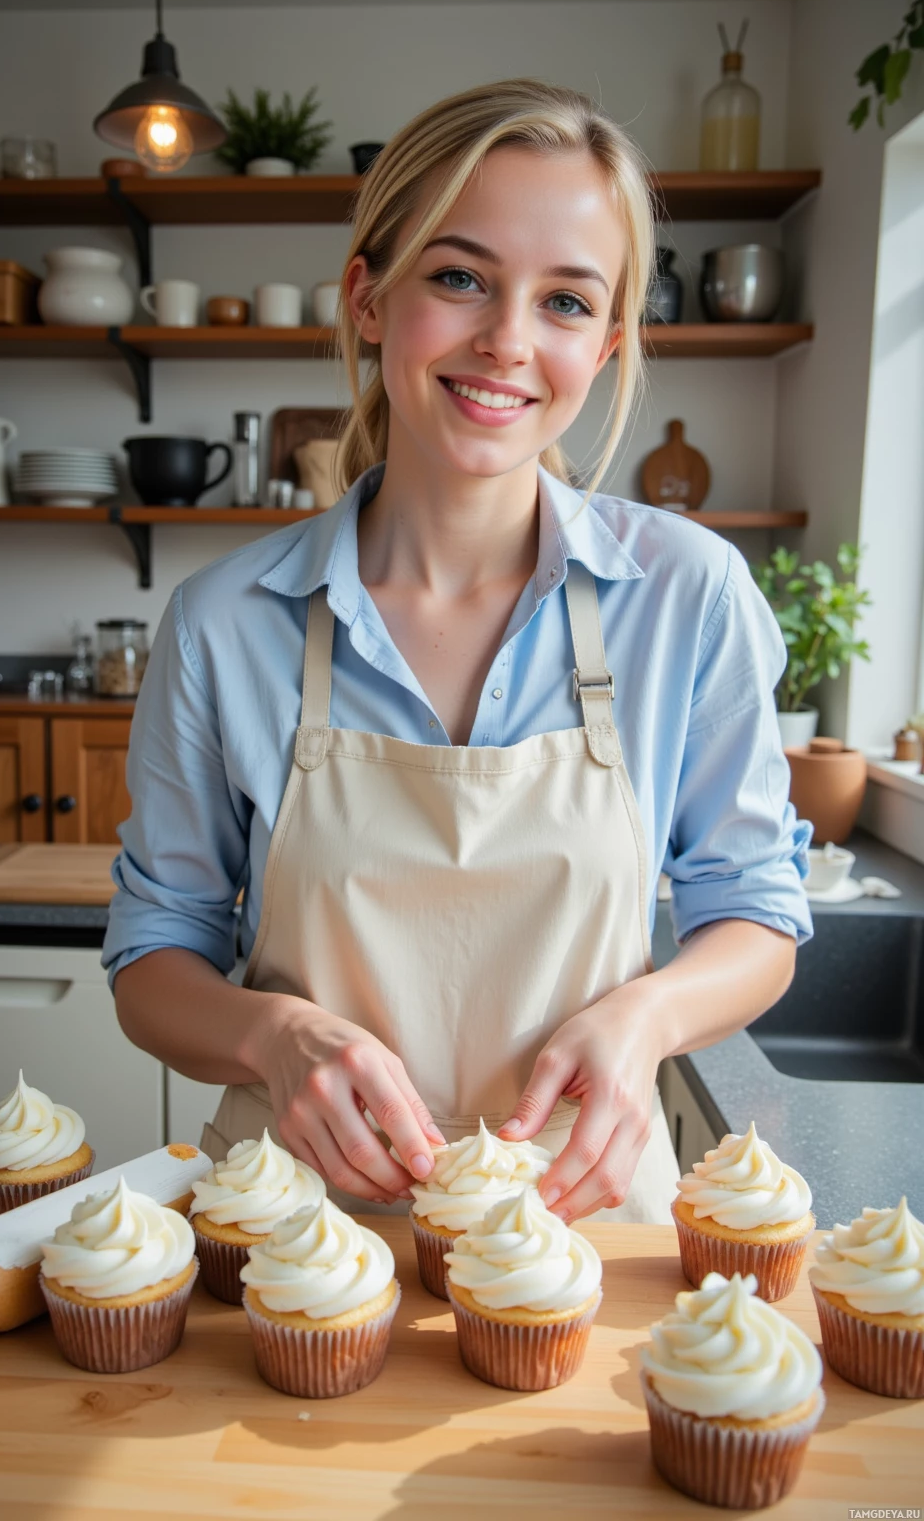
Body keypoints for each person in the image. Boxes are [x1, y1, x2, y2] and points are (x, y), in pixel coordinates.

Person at [103, 78, 811, 1225]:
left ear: (610, 342)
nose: (507, 342)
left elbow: (757, 913)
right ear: (370, 297)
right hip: (287, 1238)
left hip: (574, 1240)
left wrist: (645, 1019)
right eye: (460, 277)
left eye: (567, 302)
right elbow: (153, 961)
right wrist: (271, 1033)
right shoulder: (225, 620)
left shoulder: (686, 594)